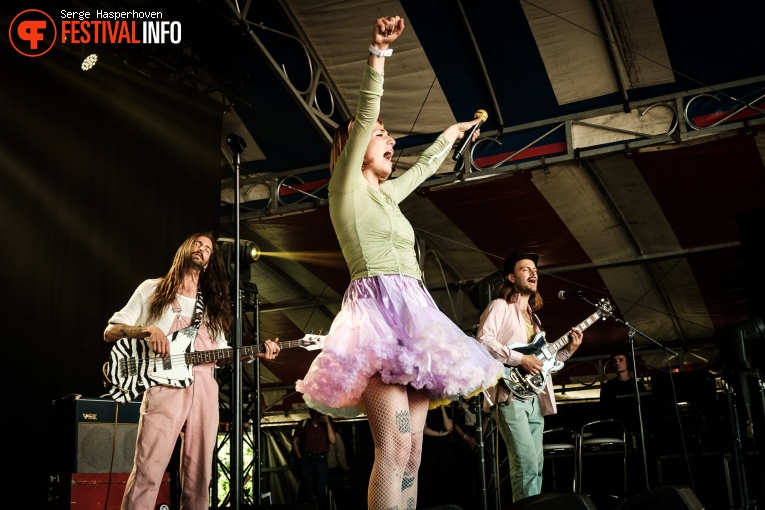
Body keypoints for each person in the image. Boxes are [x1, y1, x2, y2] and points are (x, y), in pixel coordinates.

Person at [294, 15, 504, 510]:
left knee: (413, 453)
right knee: (393, 447)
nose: (390, 140)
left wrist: (452, 134)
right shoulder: (344, 189)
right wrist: (378, 53)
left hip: (416, 316)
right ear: (350, 150)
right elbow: (366, 113)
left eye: (390, 136)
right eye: (382, 135)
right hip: (375, 319)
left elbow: (426, 166)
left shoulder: (386, 195)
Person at [103, 232, 281, 510]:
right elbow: (111, 331)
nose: (201, 249)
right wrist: (148, 330)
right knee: (149, 468)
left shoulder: (213, 303)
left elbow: (222, 354)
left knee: (200, 476)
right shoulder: (152, 288)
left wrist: (254, 353)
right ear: (184, 249)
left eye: (208, 248)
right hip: (164, 385)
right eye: (197, 243)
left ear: (210, 262)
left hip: (205, 386)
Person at [476, 252, 583, 502]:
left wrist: (567, 351)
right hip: (509, 396)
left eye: (535, 269)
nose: (533, 272)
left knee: (536, 466)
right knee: (524, 464)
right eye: (526, 269)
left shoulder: (535, 320)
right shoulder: (499, 306)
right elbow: (483, 341)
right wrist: (520, 358)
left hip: (535, 398)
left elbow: (544, 367)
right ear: (511, 277)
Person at [292, 409, 336, 510]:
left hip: (320, 459)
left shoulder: (325, 425)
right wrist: (299, 456)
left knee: (321, 490)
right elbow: (294, 440)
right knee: (308, 489)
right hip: (306, 459)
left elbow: (332, 440)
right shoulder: (304, 423)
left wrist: (328, 422)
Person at [600, 349, 647, 435]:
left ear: (627, 362)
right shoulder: (607, 388)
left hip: (636, 430)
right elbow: (604, 411)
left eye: (621, 360)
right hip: (616, 431)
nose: (617, 363)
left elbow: (645, 410)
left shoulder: (638, 386)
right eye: (615, 361)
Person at [418, 405, 455, 508]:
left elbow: (449, 427)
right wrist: (440, 434)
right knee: (428, 475)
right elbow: (424, 429)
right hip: (429, 446)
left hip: (444, 447)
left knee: (444, 474)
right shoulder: (425, 409)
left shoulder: (446, 410)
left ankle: (444, 503)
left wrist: (442, 408)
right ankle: (429, 504)